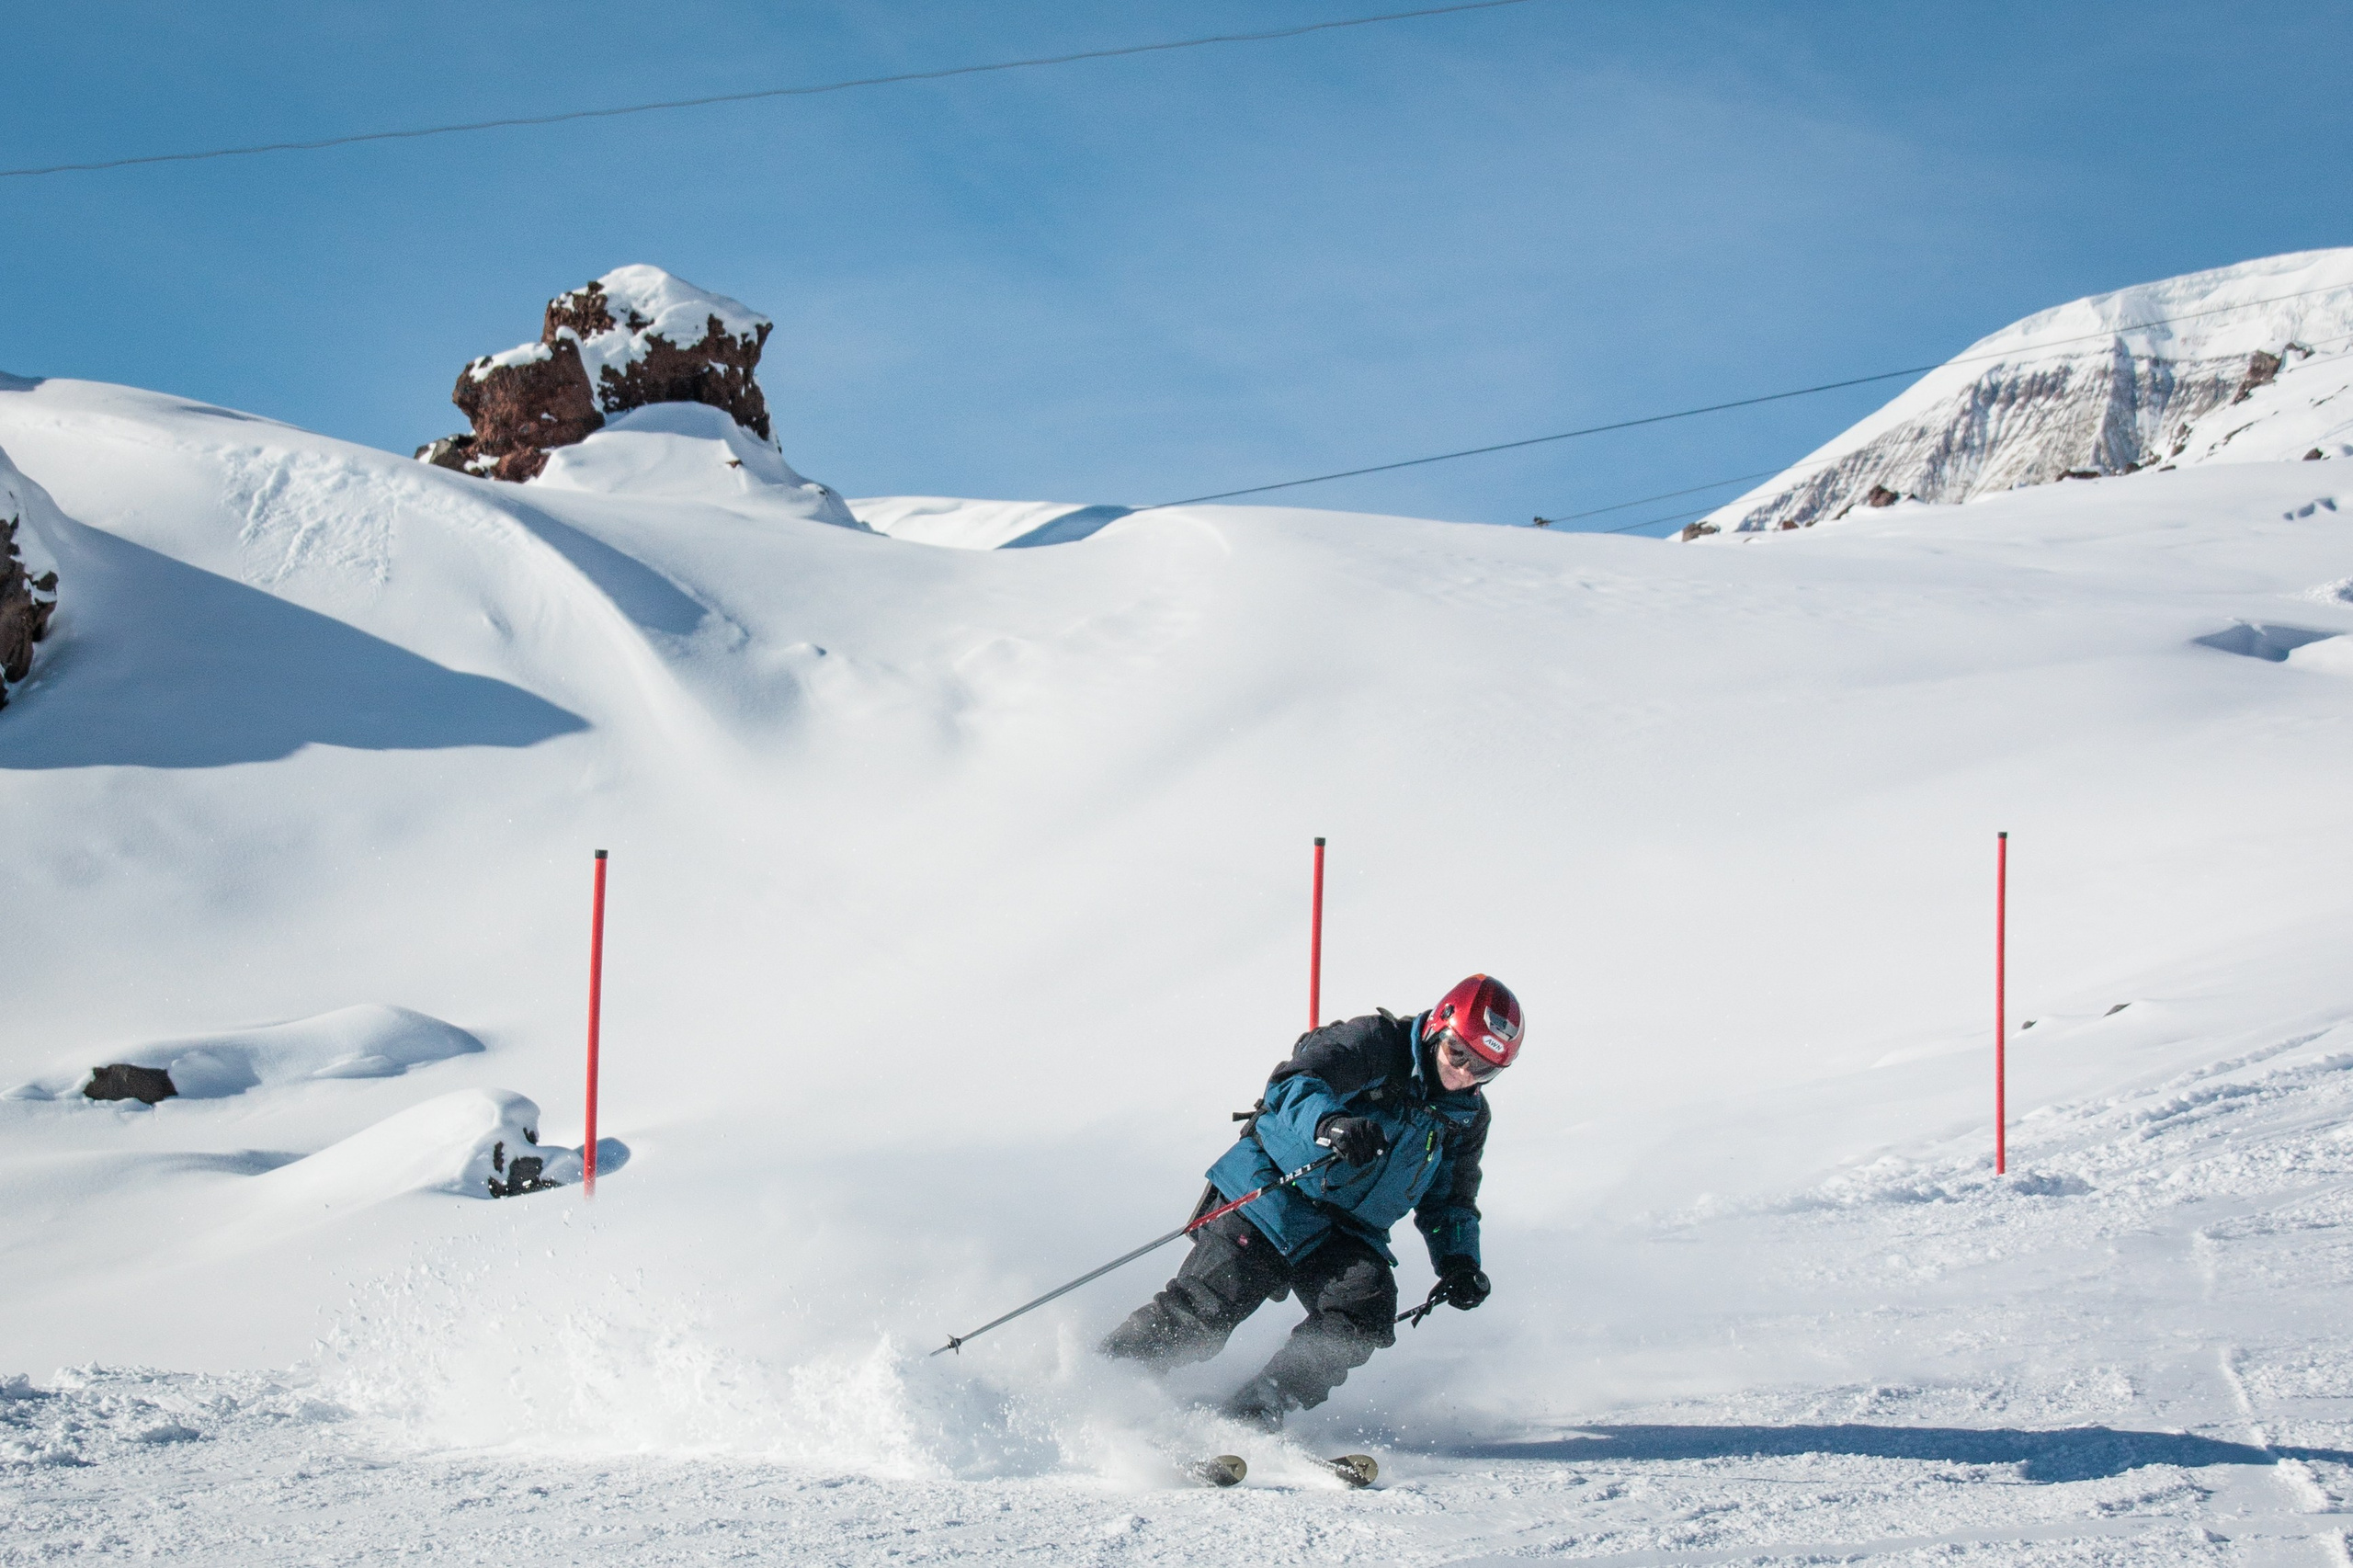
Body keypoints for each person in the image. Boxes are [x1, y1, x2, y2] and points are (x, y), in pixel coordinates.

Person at [1101, 974, 1523, 1430]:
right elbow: (1295, 1082)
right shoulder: (1378, 1043)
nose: (1462, 1074)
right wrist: (1333, 1123)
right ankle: (1102, 1381)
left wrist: (1458, 1262)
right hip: (1274, 1191)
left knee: (1364, 1310)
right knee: (1208, 1309)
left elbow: (1450, 1201)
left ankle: (1254, 1413)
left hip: (1346, 1231)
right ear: (1437, 1027)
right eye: (1458, 1053)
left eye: (1482, 1069)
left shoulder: (1466, 1117)